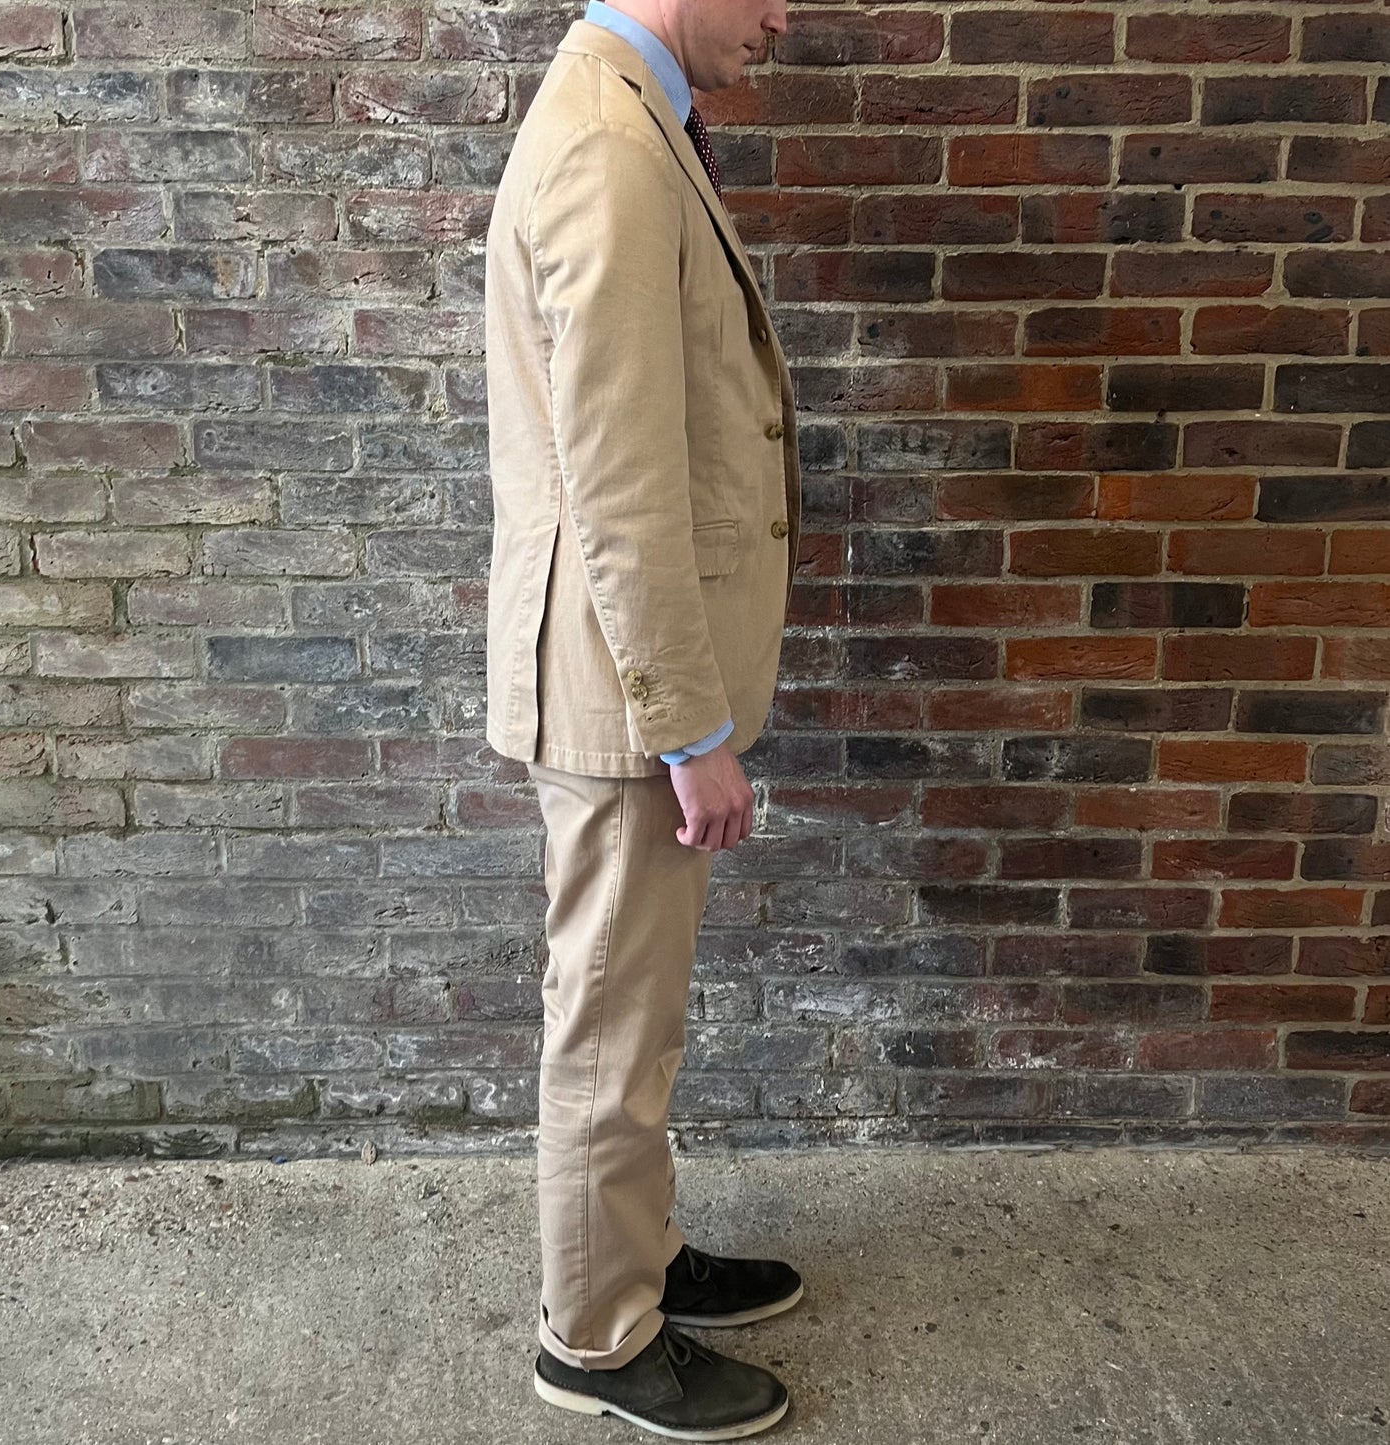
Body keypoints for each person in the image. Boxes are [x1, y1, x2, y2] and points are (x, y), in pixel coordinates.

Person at [484, 0, 801, 1436]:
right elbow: (617, 482)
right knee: (612, 1026)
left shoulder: (628, 107)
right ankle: (596, 1340)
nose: (783, 14)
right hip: (623, 697)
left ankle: (641, 1258)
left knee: (633, 1012)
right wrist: (691, 727)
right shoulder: (612, 143)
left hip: (624, 680)